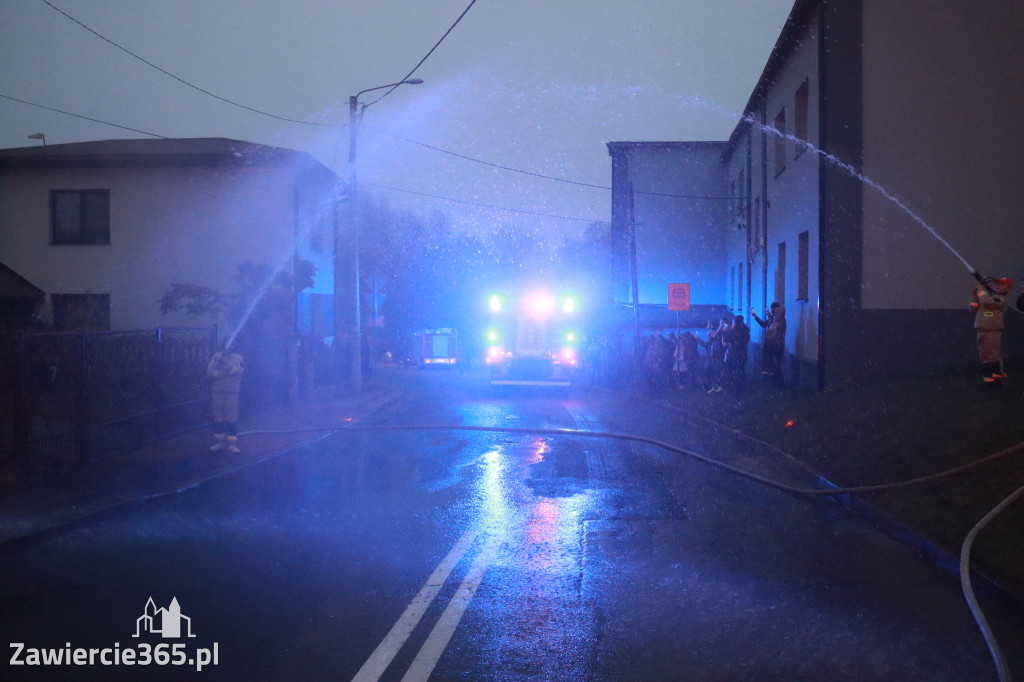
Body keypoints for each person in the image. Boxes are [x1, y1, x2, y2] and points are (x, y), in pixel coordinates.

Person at [969, 277, 1012, 387]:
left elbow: (986, 300)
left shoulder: (1001, 300)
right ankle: (989, 380)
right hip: (981, 331)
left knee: (993, 356)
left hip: (992, 331)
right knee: (985, 357)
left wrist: (980, 290)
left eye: (1002, 285)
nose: (998, 286)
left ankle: (998, 380)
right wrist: (975, 293)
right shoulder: (988, 297)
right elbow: (972, 308)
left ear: (1008, 289)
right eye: (998, 284)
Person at [208, 340, 245, 452]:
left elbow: (237, 371)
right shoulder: (216, 356)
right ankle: (219, 443)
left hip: (232, 392)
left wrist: (222, 367)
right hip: (217, 392)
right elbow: (210, 372)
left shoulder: (239, 358)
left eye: (231, 344)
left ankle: (232, 444)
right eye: (227, 344)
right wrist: (224, 370)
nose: (229, 347)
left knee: (231, 418)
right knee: (218, 417)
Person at [752, 302, 786, 385]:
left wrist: (768, 337)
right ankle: (767, 380)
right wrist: (756, 317)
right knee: (768, 363)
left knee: (773, 364)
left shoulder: (779, 321)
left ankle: (774, 381)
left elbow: (775, 333)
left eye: (774, 310)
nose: (772, 311)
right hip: (771, 345)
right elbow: (764, 325)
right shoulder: (774, 319)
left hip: (775, 345)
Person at [723, 315, 750, 393]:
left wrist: (725, 331)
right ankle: (740, 388)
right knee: (741, 370)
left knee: (730, 370)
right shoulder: (745, 330)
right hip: (742, 353)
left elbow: (725, 339)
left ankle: (732, 387)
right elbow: (747, 339)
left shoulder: (732, 331)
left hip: (733, 353)